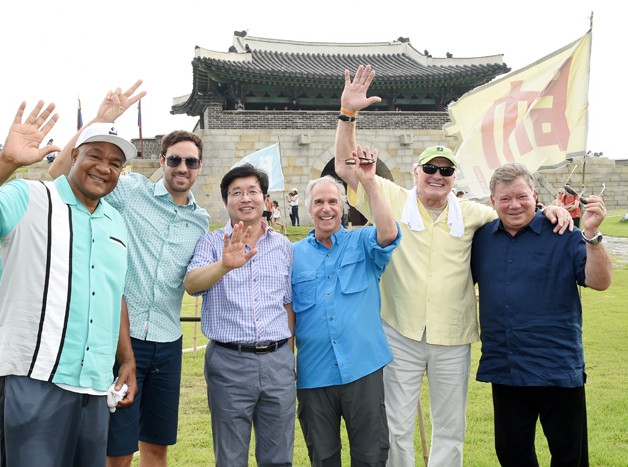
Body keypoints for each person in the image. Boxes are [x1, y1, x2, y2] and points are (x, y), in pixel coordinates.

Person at [334, 65, 573, 467]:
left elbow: (512, 213)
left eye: (445, 171)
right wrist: (347, 116)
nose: (437, 176)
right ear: (416, 174)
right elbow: (346, 167)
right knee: (396, 424)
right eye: (430, 169)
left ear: (453, 178)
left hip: (452, 336)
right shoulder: (390, 199)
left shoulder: (473, 214)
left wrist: (547, 208)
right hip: (400, 330)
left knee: (450, 427)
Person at [0, 101, 138, 467]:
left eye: (115, 163)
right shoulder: (30, 197)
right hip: (32, 377)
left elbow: (116, 295)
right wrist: (6, 162)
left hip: (95, 385)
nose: (104, 167)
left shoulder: (115, 221)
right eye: (95, 156)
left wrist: (126, 359)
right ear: (74, 156)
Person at [50, 80, 210, 467]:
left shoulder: (202, 222)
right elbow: (61, 177)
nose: (182, 168)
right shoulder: (130, 191)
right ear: (162, 161)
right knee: (117, 450)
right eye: (174, 159)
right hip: (123, 339)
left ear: (199, 167)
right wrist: (102, 119)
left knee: (157, 447)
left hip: (168, 342)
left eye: (190, 161)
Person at [471, 162, 612, 466]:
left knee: (569, 457)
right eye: (505, 198)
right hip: (506, 367)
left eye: (521, 196)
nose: (514, 205)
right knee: (512, 456)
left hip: (556, 367)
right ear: (492, 201)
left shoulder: (562, 232)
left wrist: (592, 234)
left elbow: (600, 282)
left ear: (534, 195)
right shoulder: (481, 239)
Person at [184, 163, 295, 467]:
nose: (245, 198)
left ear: (265, 200)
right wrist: (223, 266)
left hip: (277, 362)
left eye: (252, 191)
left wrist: (289, 356)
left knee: (279, 456)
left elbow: (287, 304)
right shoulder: (210, 243)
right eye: (236, 193)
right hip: (229, 363)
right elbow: (191, 285)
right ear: (226, 201)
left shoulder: (283, 246)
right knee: (231, 457)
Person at [292, 161, 401, 466]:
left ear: (343, 208)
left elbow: (389, 233)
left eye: (332, 202)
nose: (326, 209)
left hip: (363, 368)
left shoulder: (362, 242)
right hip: (314, 375)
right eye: (318, 202)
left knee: (370, 454)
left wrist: (369, 182)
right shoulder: (293, 255)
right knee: (323, 456)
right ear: (308, 209)